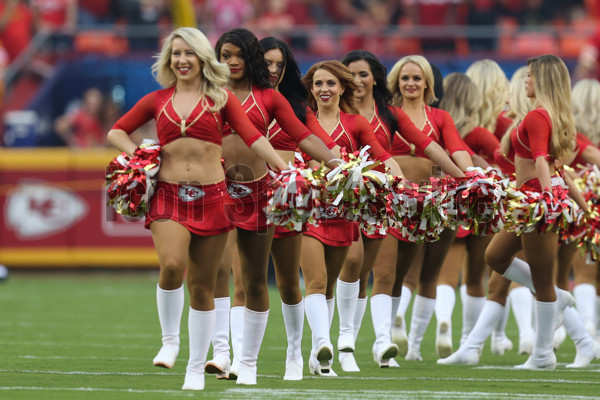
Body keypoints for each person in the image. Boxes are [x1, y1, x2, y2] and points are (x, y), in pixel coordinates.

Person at [106, 27, 286, 391]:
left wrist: (285, 168)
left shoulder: (220, 99)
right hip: (169, 196)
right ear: (169, 60)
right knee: (172, 265)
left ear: (202, 58)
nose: (182, 60)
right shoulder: (157, 99)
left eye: (189, 53)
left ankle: (194, 368)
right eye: (176, 54)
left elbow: (254, 137)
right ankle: (170, 341)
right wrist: (139, 161)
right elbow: (117, 131)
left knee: (203, 287)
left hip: (213, 198)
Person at [208, 28, 337, 385]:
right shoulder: (211, 95)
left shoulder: (275, 99)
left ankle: (293, 354)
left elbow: (306, 137)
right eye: (225, 55)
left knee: (281, 282)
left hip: (272, 194)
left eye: (238, 55)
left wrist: (338, 166)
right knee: (224, 274)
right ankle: (228, 357)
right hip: (219, 192)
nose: (232, 62)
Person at [441, 55, 581, 370]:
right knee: (495, 257)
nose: (525, 81)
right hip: (528, 200)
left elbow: (544, 160)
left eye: (530, 76)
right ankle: (559, 298)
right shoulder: (548, 115)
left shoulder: (538, 116)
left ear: (543, 80)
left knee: (541, 280)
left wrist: (550, 199)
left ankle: (543, 354)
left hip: (535, 202)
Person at [339, 49, 464, 371]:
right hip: (348, 204)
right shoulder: (335, 109)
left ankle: (384, 342)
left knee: (395, 278)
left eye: (364, 74)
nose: (357, 81)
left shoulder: (391, 114)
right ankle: (350, 342)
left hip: (399, 203)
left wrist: (465, 177)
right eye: (351, 74)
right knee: (359, 271)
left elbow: (434, 146)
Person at [300, 59, 403, 376]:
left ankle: (328, 352)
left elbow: (381, 156)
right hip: (309, 210)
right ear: (311, 88)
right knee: (316, 280)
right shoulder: (301, 119)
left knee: (336, 280)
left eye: (331, 83)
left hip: (344, 213)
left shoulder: (356, 123)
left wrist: (397, 178)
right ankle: (322, 344)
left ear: (342, 87)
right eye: (318, 83)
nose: (324, 89)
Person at [383, 54, 474, 362]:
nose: (410, 83)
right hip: (395, 203)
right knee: (395, 275)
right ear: (396, 81)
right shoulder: (387, 115)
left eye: (417, 78)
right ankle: (388, 339)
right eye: (405, 78)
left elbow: (457, 148)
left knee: (430, 274)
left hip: (435, 203)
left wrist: (471, 175)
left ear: (427, 83)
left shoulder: (440, 117)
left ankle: (416, 346)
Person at [432, 72, 500, 358]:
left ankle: (443, 320)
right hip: (479, 208)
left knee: (446, 276)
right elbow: (501, 161)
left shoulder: (437, 127)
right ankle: (469, 342)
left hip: (450, 205)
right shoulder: (478, 132)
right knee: (475, 279)